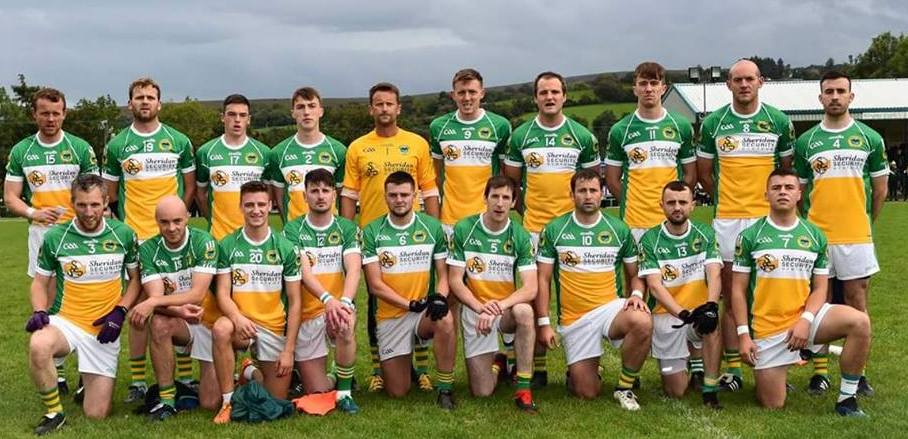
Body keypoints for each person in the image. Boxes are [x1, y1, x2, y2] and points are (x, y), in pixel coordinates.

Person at [731, 168, 871, 416]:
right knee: (773, 404)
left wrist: (805, 320)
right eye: (776, 188)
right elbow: (738, 291)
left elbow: (820, 288)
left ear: (799, 194)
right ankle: (778, 368)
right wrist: (743, 335)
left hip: (805, 319)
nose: (782, 192)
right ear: (766, 195)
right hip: (768, 329)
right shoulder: (750, 236)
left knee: (860, 322)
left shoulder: (815, 235)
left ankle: (847, 400)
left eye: (789, 187)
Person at [696, 60, 795, 391]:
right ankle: (734, 370)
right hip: (728, 219)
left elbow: (785, 170)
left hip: (768, 220)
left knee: (771, 294)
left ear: (760, 82)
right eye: (737, 79)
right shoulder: (713, 123)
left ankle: (775, 364)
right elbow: (705, 174)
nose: (743, 85)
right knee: (729, 293)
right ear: (728, 84)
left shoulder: (778, 121)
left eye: (749, 79)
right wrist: (728, 199)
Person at [793, 70, 888, 395]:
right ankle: (819, 374)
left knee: (856, 302)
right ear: (820, 97)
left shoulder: (870, 138)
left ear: (851, 96)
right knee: (816, 302)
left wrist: (863, 223)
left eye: (840, 91)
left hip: (856, 236)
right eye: (829, 91)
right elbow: (800, 194)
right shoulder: (806, 142)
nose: (835, 96)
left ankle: (857, 376)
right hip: (817, 237)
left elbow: (880, 191)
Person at [102, 77, 197, 403]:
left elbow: (189, 188)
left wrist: (177, 224)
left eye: (150, 97)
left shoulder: (179, 141)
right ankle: (138, 381)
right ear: (130, 103)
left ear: (159, 103)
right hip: (137, 239)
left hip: (173, 238)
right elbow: (111, 194)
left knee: (178, 301)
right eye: (139, 97)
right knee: (140, 308)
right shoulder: (118, 145)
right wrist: (126, 231)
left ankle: (186, 376)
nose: (145, 101)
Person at [503, 71, 599, 387]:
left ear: (564, 96)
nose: (549, 97)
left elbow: (590, 183)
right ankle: (537, 367)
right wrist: (529, 213)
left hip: (573, 232)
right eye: (543, 92)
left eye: (555, 92)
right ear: (535, 97)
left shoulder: (582, 136)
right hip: (534, 229)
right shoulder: (520, 136)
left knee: (577, 298)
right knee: (533, 300)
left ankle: (581, 365)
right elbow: (512, 187)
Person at [341, 82, 439, 393]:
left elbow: (430, 190)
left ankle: (421, 369)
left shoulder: (417, 144)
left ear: (399, 108)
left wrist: (434, 229)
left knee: (423, 297)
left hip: (414, 235)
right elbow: (349, 194)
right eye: (378, 104)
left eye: (389, 104)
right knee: (377, 300)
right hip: (374, 237)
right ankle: (377, 370)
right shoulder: (358, 147)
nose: (384, 109)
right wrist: (347, 233)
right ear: (371, 109)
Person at [25, 174, 140, 434]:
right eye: (82, 205)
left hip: (103, 328)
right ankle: (54, 412)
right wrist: (40, 310)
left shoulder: (123, 234)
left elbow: (136, 280)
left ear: (106, 202)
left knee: (97, 414)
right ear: (72, 202)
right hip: (66, 322)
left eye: (95, 205)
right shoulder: (55, 236)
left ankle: (87, 383)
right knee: (39, 344)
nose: (89, 212)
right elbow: (40, 282)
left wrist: (120, 311)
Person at [5, 87, 99, 395]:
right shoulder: (22, 151)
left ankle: (87, 373)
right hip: (42, 235)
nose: (50, 119)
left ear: (64, 114)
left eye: (56, 113)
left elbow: (95, 193)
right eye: (44, 113)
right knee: (48, 303)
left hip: (80, 235)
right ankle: (56, 373)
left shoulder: (80, 148)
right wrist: (33, 212)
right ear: (34, 114)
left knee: (86, 301)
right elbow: (10, 197)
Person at [534, 169, 651, 410]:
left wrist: (637, 295)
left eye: (593, 190)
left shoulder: (619, 229)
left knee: (642, 320)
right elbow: (542, 279)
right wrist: (544, 323)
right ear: (572, 194)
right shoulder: (554, 229)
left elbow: (635, 275)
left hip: (610, 309)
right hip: (575, 319)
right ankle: (582, 371)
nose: (588, 196)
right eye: (582, 191)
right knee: (586, 392)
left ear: (602, 194)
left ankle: (625, 386)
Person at [361, 171, 456, 409]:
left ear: (415, 196)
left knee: (445, 319)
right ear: (385, 196)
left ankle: (445, 389)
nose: (399, 200)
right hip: (391, 316)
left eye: (404, 194)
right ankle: (406, 365)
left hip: (423, 313)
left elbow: (444, 275)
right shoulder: (372, 231)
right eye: (393, 195)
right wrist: (409, 304)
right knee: (398, 391)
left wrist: (440, 298)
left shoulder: (432, 227)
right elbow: (374, 285)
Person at [209, 181, 302, 424]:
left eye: (261, 204)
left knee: (273, 400)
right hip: (241, 325)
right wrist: (237, 318)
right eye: (249, 205)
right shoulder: (227, 245)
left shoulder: (286, 248)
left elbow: (295, 302)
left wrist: (288, 351)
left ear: (270, 206)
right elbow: (222, 294)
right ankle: (228, 402)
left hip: (273, 328)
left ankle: (250, 372)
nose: (256, 210)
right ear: (240, 207)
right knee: (221, 328)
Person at [447, 175, 538, 412]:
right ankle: (499, 362)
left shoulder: (520, 235)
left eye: (506, 198)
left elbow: (531, 287)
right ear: (485, 198)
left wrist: (498, 306)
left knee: (525, 311)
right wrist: (480, 307)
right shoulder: (464, 229)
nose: (499, 203)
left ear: (513, 202)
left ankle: (524, 390)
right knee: (482, 392)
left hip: (504, 310)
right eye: (494, 196)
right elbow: (455, 281)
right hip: (475, 309)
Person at [126, 196, 219, 420]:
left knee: (210, 403)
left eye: (177, 221)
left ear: (188, 217)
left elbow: (197, 295)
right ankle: (167, 399)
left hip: (212, 324)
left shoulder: (204, 241)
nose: (171, 228)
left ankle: (244, 370)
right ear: (156, 221)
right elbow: (155, 295)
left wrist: (152, 303)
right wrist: (174, 310)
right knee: (159, 324)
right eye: (164, 222)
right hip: (182, 322)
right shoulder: (148, 249)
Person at [282, 169, 362, 413]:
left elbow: (354, 268)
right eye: (314, 190)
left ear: (334, 195)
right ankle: (335, 375)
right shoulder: (293, 229)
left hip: (335, 309)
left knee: (345, 322)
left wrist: (344, 302)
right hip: (306, 315)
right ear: (304, 195)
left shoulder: (347, 228)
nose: (320, 196)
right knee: (316, 391)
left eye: (326, 190)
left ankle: (345, 393)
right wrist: (327, 299)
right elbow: (304, 272)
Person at [637, 181, 722, 408]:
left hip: (698, 312)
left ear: (692, 205)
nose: (677, 207)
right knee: (675, 391)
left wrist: (711, 306)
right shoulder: (650, 239)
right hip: (667, 317)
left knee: (712, 323)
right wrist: (683, 313)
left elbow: (714, 274)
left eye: (683, 202)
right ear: (662, 205)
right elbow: (655, 287)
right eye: (671, 203)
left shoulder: (705, 233)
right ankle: (692, 363)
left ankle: (710, 390)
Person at [604, 62, 696, 242]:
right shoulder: (620, 130)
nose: (648, 89)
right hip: (634, 222)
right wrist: (632, 203)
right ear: (635, 89)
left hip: (670, 221)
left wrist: (676, 203)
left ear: (663, 88)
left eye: (654, 83)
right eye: (643, 84)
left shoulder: (681, 125)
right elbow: (612, 180)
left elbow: (691, 175)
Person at [430, 68, 512, 239]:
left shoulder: (500, 125)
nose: (467, 98)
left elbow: (505, 175)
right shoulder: (438, 126)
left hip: (487, 219)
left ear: (482, 93)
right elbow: (437, 175)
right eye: (461, 92)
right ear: (453, 95)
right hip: (450, 220)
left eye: (472, 92)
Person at [196, 94, 271, 240]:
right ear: (222, 117)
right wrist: (213, 219)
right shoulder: (206, 152)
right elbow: (200, 195)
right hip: (219, 237)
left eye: (242, 115)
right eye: (232, 114)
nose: (237, 120)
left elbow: (269, 194)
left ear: (248, 119)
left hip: (254, 237)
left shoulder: (264, 153)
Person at [270, 87, 347, 223]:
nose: (306, 112)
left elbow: (342, 197)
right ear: (293, 113)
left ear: (321, 111)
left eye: (312, 106)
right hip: (295, 232)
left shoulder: (339, 151)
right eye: (300, 107)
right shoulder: (278, 152)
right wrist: (289, 226)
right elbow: (280, 199)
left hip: (330, 232)